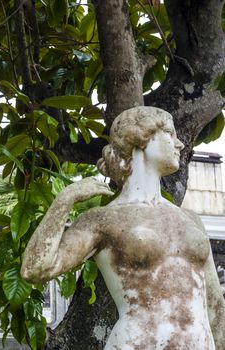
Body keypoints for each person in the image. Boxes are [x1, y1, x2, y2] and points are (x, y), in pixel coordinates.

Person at [21, 106, 225, 349]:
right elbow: (35, 269)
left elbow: (215, 306)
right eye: (170, 133)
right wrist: (64, 201)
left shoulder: (191, 220)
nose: (179, 144)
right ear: (141, 139)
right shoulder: (104, 220)